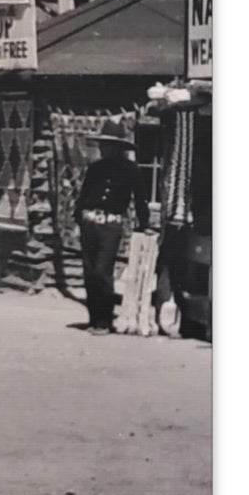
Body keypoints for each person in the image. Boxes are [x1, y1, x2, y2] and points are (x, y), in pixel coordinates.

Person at [75, 118, 150, 335]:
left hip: (111, 225)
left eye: (108, 145)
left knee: (102, 272)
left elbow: (140, 199)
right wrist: (79, 218)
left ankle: (105, 320)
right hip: (90, 222)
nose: (103, 149)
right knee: (89, 273)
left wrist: (144, 223)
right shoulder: (95, 169)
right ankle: (93, 318)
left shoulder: (130, 170)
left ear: (118, 148)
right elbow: (83, 196)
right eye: (102, 145)